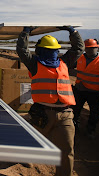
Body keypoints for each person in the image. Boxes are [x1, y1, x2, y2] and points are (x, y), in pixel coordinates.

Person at [16, 26, 84, 176]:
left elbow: (79, 48)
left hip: (65, 114)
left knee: (66, 151)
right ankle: (21, 156)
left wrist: (73, 31)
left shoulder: (64, 62)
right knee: (31, 141)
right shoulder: (35, 64)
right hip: (42, 113)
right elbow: (21, 50)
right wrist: (25, 32)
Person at [72, 39, 99, 138]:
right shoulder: (80, 58)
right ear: (85, 49)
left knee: (94, 113)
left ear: (97, 48)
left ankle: (90, 130)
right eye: (88, 48)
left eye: (93, 48)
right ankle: (74, 129)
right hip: (80, 90)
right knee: (75, 111)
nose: (91, 50)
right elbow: (69, 65)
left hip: (95, 92)